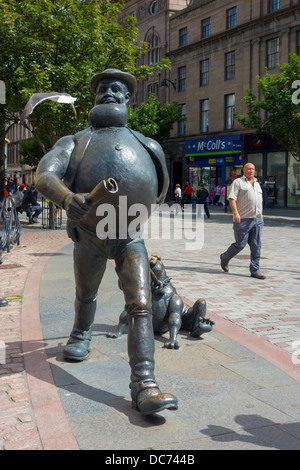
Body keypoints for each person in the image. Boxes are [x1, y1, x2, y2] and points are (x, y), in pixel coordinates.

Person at [35, 68, 177, 415]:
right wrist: (69, 199)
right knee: (87, 291)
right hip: (90, 235)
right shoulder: (75, 141)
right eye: (102, 89)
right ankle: (81, 333)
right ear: (94, 98)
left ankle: (144, 384)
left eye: (117, 90)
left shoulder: (148, 144)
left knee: (140, 303)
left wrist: (136, 217)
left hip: (130, 237)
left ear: (129, 98)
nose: (109, 94)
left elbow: (160, 189)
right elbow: (44, 175)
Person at [220, 163, 266, 279]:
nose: (251, 171)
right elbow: (232, 198)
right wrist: (235, 213)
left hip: (257, 219)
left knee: (256, 245)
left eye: (253, 169)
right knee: (240, 244)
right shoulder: (238, 182)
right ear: (244, 170)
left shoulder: (257, 184)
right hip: (243, 219)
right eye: (249, 169)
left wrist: (260, 213)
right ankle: (225, 258)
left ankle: (255, 270)